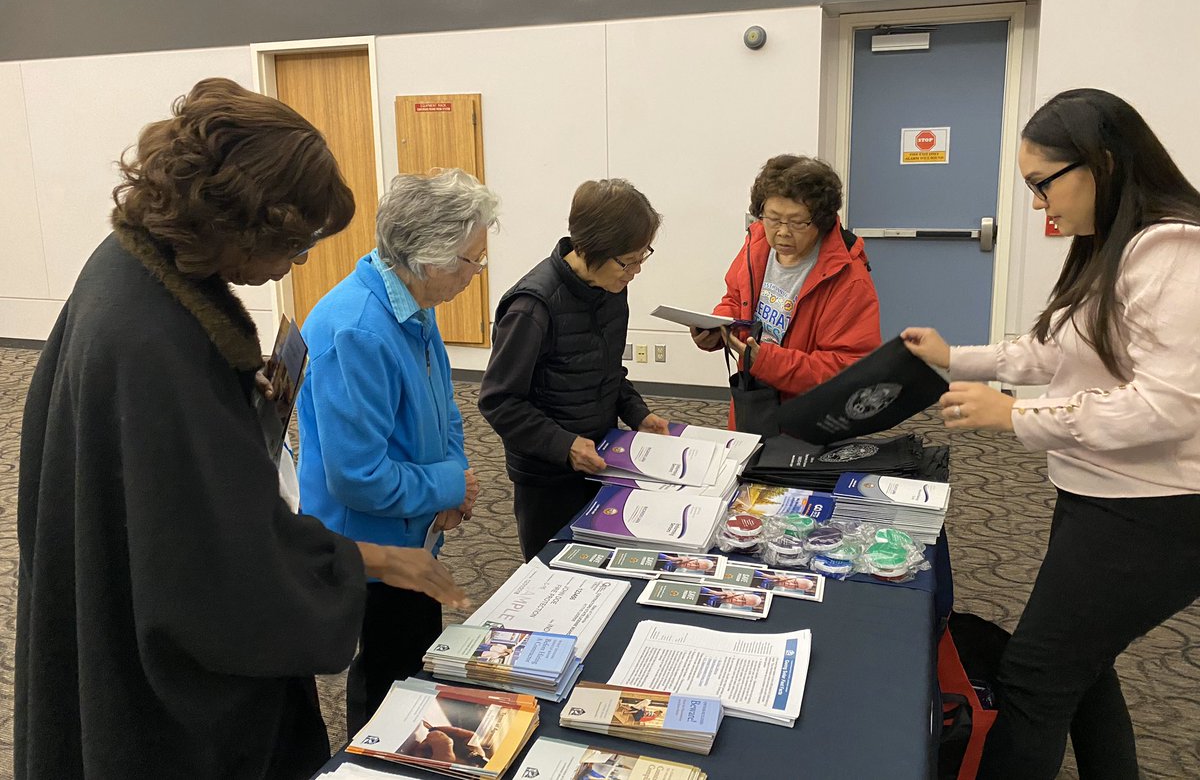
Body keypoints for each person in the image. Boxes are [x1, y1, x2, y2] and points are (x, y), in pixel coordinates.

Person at [15, 78, 468, 780]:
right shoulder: (154, 344)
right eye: (297, 241)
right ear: (247, 222)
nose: (301, 261)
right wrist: (366, 563)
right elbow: (221, 580)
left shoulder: (129, 273)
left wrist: (232, 405)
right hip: (166, 710)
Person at [902, 88, 1200, 780]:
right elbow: (1057, 349)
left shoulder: (1174, 252)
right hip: (1104, 497)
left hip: (1155, 514)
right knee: (1082, 667)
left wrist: (1016, 417)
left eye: (1043, 185)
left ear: (1101, 163)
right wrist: (955, 357)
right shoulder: (1115, 246)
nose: (1039, 206)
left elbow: (1169, 407)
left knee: (1036, 678)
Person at [297, 168, 497, 736]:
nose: (476, 274)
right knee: (389, 685)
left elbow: (445, 405)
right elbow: (357, 477)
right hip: (371, 544)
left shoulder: (411, 300)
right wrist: (448, 485)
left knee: (413, 665)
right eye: (472, 261)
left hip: (413, 522)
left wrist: (455, 477)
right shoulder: (359, 330)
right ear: (430, 259)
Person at [479, 179, 668, 559]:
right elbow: (499, 400)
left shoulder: (610, 288)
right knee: (552, 574)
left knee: (605, 566)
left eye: (642, 257)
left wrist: (637, 413)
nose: (635, 271)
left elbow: (607, 369)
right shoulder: (532, 307)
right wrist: (563, 445)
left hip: (601, 458)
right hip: (547, 477)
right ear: (592, 248)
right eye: (628, 261)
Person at [691, 155, 881, 418]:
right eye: (773, 219)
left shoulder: (848, 279)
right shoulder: (757, 245)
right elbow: (736, 298)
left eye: (797, 222)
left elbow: (850, 368)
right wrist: (717, 327)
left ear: (821, 221)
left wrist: (767, 362)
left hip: (809, 417)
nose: (782, 232)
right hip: (753, 399)